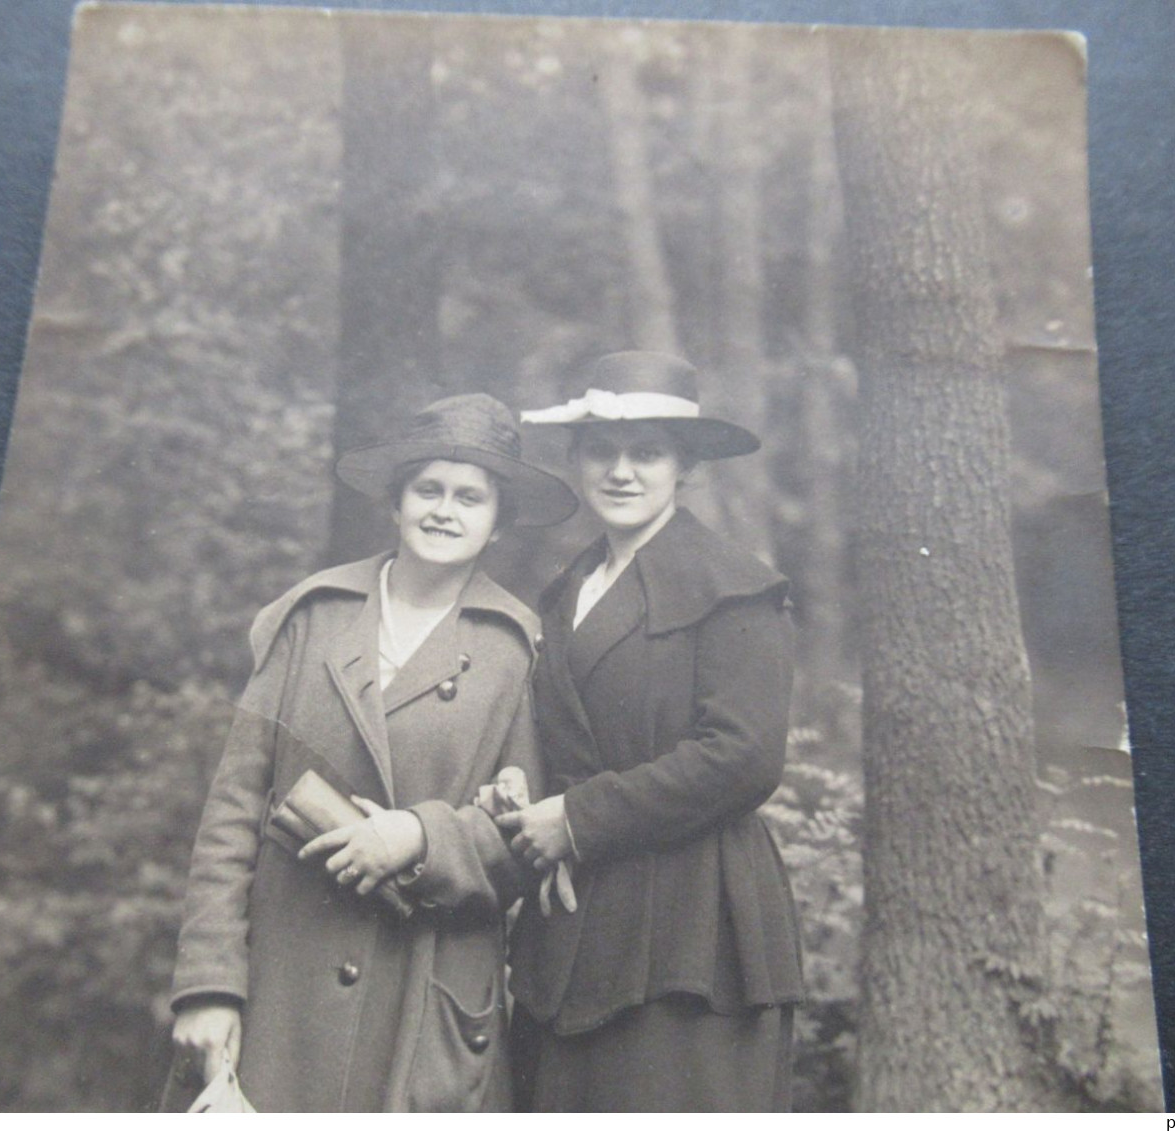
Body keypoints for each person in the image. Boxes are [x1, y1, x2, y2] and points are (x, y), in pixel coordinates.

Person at [167, 393, 577, 1111]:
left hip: (422, 995)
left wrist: (421, 836)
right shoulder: (313, 617)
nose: (445, 510)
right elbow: (231, 811)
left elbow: (521, 843)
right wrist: (209, 984)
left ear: (499, 520)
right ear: (395, 503)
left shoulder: (517, 649)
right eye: (429, 489)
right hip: (281, 989)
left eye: (470, 496)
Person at [499, 351, 802, 1112]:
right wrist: (521, 786)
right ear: (575, 462)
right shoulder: (569, 588)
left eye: (648, 452)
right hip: (577, 919)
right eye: (602, 450)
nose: (622, 471)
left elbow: (743, 756)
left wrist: (576, 818)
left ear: (685, 465)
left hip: (694, 931)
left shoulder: (735, 586)